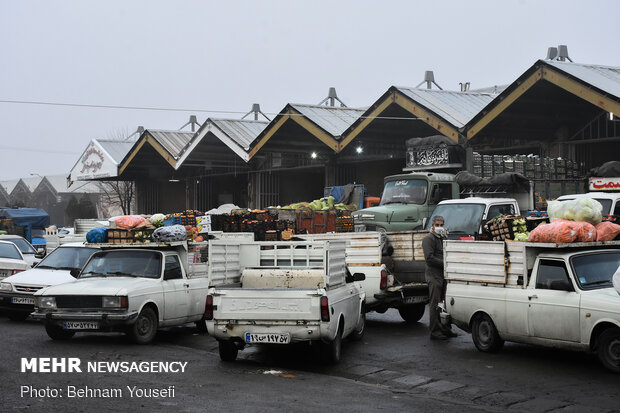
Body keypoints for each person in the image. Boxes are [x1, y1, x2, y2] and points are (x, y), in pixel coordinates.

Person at [422, 215, 457, 340]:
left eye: (441, 225)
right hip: (433, 275)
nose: (439, 227)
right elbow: (429, 259)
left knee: (444, 304)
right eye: (437, 225)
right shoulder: (428, 239)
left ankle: (446, 328)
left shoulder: (442, 238)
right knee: (435, 304)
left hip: (443, 275)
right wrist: (445, 263)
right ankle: (435, 331)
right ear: (432, 225)